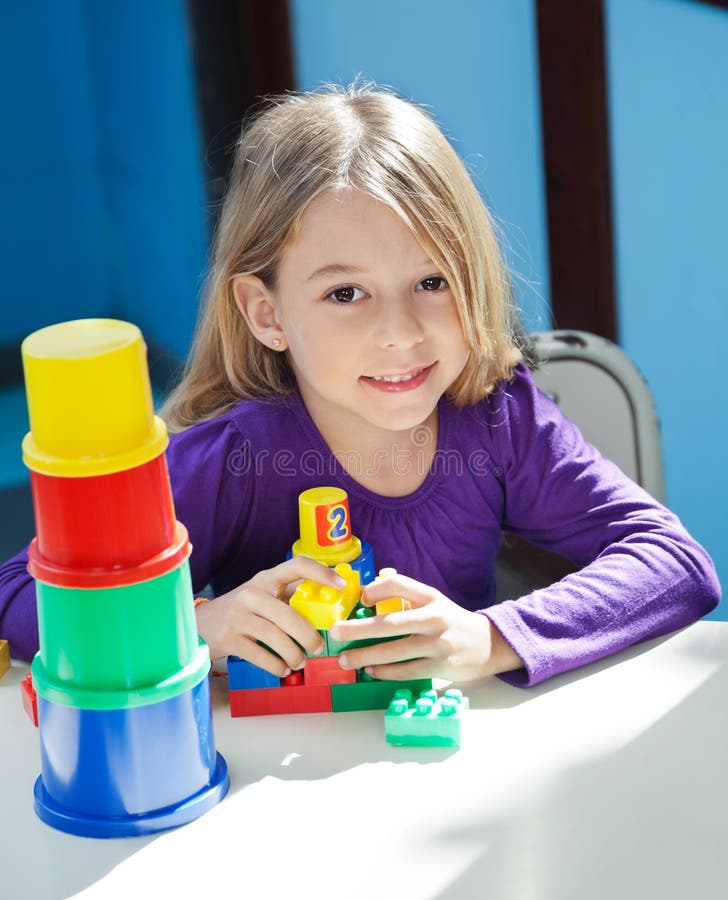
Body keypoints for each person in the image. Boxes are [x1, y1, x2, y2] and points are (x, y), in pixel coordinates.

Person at [0, 83, 720, 686]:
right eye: (346, 294)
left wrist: (489, 638)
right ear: (267, 313)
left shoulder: (500, 421)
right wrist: (192, 627)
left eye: (432, 282)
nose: (400, 332)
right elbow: (18, 598)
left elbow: (676, 563)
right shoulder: (234, 456)